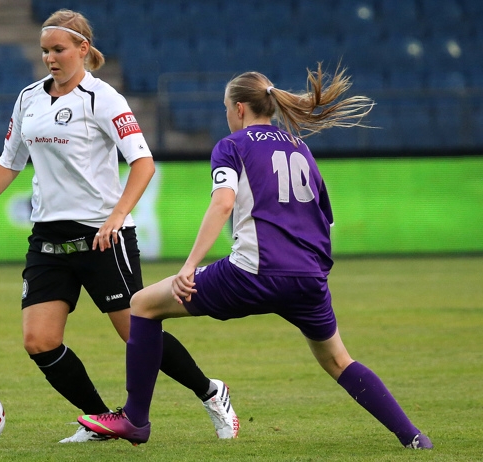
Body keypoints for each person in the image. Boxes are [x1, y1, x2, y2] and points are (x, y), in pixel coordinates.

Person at [78, 64, 434, 449]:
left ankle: (135, 420)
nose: (227, 116)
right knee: (338, 360)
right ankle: (413, 437)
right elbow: (325, 219)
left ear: (240, 109)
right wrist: (314, 274)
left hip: (251, 275)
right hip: (308, 279)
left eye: (226, 109)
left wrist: (188, 266)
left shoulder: (232, 146)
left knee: (143, 304)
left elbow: (223, 205)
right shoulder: (300, 147)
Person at [0, 9, 238, 443]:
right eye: (45, 50)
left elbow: (143, 163)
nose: (50, 58)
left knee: (138, 333)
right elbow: (10, 159)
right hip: (48, 239)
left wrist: (116, 217)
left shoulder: (103, 98)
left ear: (82, 50)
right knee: (39, 340)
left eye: (58, 49)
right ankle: (100, 419)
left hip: (103, 238)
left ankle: (211, 392)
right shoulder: (28, 97)